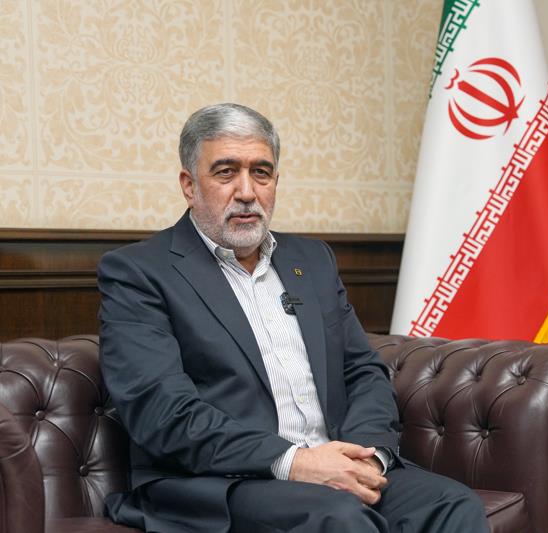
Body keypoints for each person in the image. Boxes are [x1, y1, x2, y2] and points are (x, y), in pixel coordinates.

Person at [98, 103, 489, 533]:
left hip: (336, 463)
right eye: (226, 173)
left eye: (261, 173)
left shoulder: (312, 260)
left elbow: (362, 371)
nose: (247, 192)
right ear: (189, 185)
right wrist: (296, 462)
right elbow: (162, 412)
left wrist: (365, 456)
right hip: (226, 481)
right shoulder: (139, 272)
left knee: (452, 505)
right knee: (338, 518)